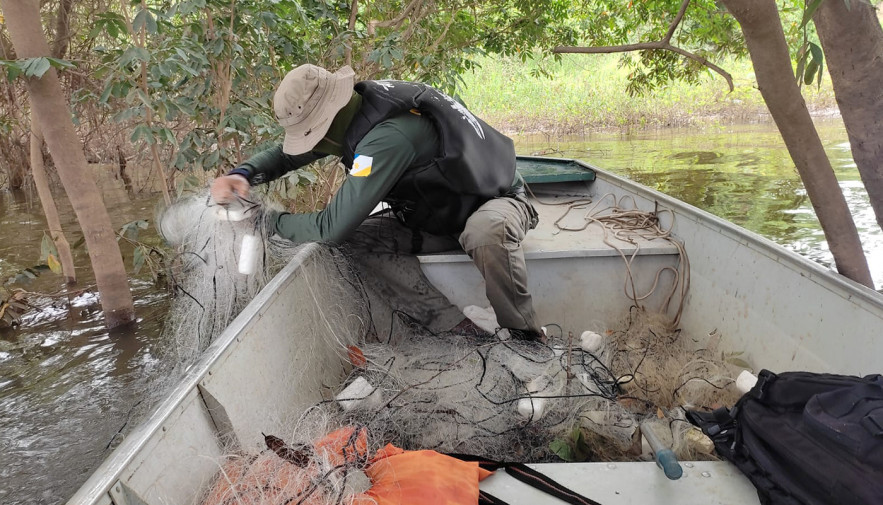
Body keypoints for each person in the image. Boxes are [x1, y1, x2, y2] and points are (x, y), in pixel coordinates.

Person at [211, 64, 544, 341]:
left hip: (496, 201)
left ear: (325, 124)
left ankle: (525, 337)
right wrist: (244, 173)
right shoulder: (354, 111)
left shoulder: (388, 139)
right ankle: (453, 325)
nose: (309, 145)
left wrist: (264, 221)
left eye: (310, 135)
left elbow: (331, 228)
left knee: (485, 232)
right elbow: (286, 156)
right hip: (439, 218)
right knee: (355, 243)